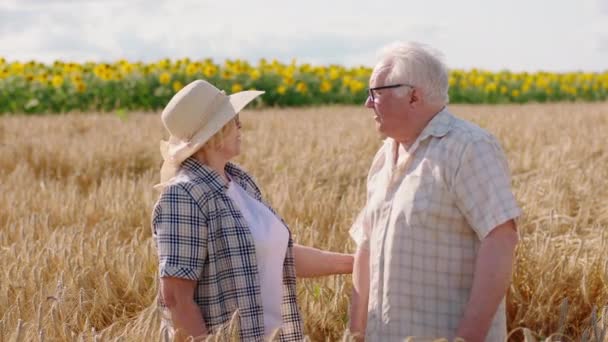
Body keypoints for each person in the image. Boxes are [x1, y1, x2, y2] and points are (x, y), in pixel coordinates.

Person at [152, 80, 353, 341]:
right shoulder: (183, 195)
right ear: (214, 132)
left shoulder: (240, 182)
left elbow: (278, 254)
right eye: (233, 119)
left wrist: (354, 262)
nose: (240, 126)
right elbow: (176, 298)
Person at [348, 42, 522, 342]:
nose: (367, 103)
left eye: (376, 93)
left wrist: (466, 339)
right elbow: (365, 249)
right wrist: (355, 334)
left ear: (413, 96)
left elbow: (501, 238)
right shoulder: (383, 157)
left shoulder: (468, 147)